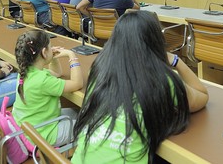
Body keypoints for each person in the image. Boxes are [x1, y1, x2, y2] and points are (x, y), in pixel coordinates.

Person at [72, 11, 209, 164]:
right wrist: (176, 60)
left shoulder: (98, 71)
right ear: (155, 41)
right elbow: (202, 95)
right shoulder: (162, 80)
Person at [13, 30, 83, 147]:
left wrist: (53, 57)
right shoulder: (43, 81)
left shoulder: (27, 72)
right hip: (44, 134)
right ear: (44, 52)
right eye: (50, 47)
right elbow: (77, 83)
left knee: (79, 113)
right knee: (91, 126)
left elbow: (57, 73)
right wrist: (72, 55)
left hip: (32, 127)